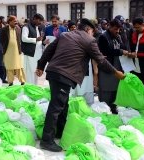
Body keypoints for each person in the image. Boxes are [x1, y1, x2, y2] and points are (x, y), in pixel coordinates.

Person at [36, 18, 125, 152]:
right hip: (64, 75)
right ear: (89, 30)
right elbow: (100, 60)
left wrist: (41, 65)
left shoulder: (64, 35)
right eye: (93, 32)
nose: (93, 35)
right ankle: (46, 140)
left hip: (54, 72)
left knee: (62, 104)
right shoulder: (89, 40)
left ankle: (59, 132)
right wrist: (115, 72)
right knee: (56, 107)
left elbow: (49, 50)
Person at [97, 19, 130, 114]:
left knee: (115, 89)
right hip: (107, 67)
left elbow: (123, 47)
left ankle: (113, 107)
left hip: (117, 67)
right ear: (109, 26)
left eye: (119, 29)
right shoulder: (103, 37)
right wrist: (120, 51)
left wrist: (125, 50)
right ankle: (104, 109)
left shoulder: (118, 36)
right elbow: (106, 51)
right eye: (115, 29)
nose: (117, 31)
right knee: (106, 90)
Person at [0, 15, 26, 86]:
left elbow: (19, 39)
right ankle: (10, 82)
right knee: (9, 67)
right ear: (10, 22)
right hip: (8, 51)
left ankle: (22, 81)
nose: (16, 22)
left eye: (16, 21)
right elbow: (1, 40)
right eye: (14, 21)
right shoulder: (4, 29)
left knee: (19, 66)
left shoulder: (18, 28)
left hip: (17, 51)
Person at [21, 13, 44, 84]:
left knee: (35, 71)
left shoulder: (37, 27)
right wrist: (35, 39)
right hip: (30, 53)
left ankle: (34, 87)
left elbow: (38, 40)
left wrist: (43, 42)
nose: (40, 23)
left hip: (37, 53)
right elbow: (24, 39)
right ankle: (29, 88)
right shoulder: (26, 26)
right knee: (30, 72)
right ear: (34, 19)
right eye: (39, 21)